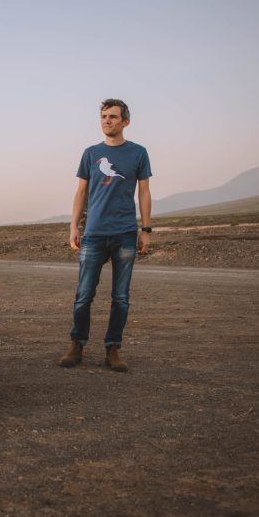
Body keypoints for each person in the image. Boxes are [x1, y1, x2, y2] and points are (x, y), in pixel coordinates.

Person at [59, 99, 152, 372]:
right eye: (103, 116)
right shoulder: (90, 153)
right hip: (94, 234)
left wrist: (146, 229)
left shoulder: (138, 153)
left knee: (120, 297)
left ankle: (113, 349)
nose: (107, 121)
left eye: (113, 116)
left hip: (125, 232)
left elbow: (144, 192)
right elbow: (81, 193)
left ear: (125, 121)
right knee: (83, 295)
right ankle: (77, 345)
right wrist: (74, 226)